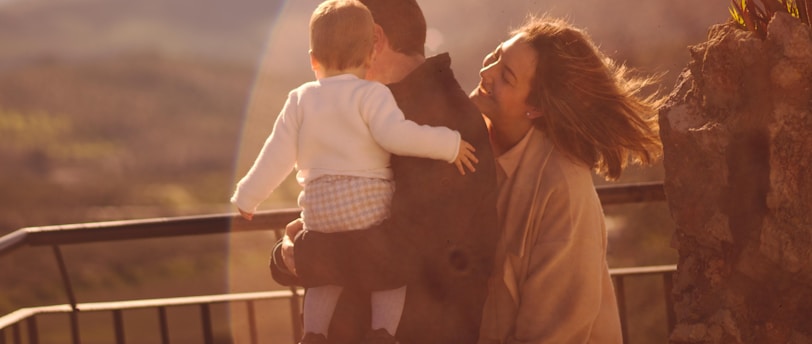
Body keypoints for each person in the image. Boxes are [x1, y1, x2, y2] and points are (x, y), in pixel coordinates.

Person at [231, 1, 479, 343]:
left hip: (321, 217)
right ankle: (382, 331)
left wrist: (249, 197)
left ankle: (313, 333)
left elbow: (277, 153)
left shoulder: (301, 98)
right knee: (388, 284)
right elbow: (397, 137)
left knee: (324, 284)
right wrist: (450, 145)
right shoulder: (378, 98)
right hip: (362, 218)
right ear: (367, 49)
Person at [470, 16, 663, 343]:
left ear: (535, 108)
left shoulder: (562, 188)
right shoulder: (466, 146)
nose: (485, 73)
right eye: (496, 56)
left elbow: (551, 334)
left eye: (506, 76)